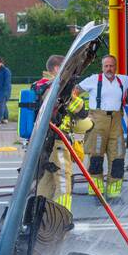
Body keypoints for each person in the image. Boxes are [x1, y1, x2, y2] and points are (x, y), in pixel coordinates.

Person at [76, 55, 128, 199]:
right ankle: (97, 193)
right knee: (95, 159)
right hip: (97, 122)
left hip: (116, 122)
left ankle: (114, 193)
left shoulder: (122, 80)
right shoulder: (93, 80)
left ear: (115, 67)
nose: (109, 69)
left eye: (112, 66)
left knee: (118, 158)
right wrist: (79, 109)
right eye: (106, 66)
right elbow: (75, 91)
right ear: (102, 67)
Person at [34, 55, 88, 212]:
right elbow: (81, 110)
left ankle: (39, 220)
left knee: (46, 182)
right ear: (57, 69)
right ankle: (62, 221)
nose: (69, 72)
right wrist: (72, 93)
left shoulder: (38, 85)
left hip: (42, 143)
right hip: (58, 141)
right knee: (64, 183)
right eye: (67, 68)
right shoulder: (57, 86)